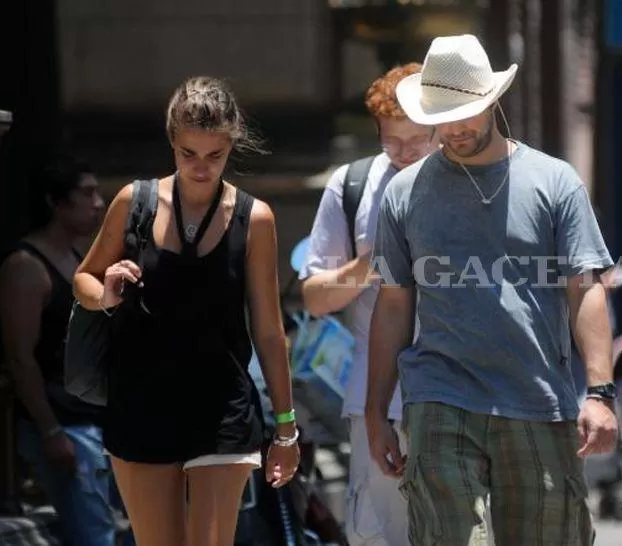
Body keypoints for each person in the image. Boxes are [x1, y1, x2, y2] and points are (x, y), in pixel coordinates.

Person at [365, 34, 618, 546]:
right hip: (439, 395)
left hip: (536, 397)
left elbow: (585, 289)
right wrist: (376, 412)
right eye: (442, 117)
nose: (455, 128)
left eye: (467, 113)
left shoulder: (554, 181)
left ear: (493, 101)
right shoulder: (404, 193)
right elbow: (393, 306)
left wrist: (600, 393)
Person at [72, 76, 300, 546]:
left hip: (223, 407)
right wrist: (106, 295)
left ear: (231, 144)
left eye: (215, 155)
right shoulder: (133, 202)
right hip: (141, 401)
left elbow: (269, 330)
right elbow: (83, 279)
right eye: (188, 153)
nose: (201, 167)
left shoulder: (255, 219)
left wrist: (286, 428)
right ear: (171, 142)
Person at [299, 62, 438, 546]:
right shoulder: (352, 185)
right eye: (391, 141)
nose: (404, 153)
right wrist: (370, 264)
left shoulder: (468, 182)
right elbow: (315, 298)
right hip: (377, 400)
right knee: (380, 533)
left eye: (417, 140)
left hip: (461, 391)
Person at [0, 155, 115, 545]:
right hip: (62, 422)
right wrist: (49, 429)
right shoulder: (26, 267)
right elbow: (20, 357)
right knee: (94, 535)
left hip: (93, 417)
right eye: (86, 193)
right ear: (55, 201)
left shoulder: (79, 259)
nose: (98, 203)